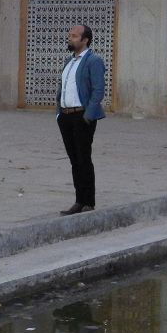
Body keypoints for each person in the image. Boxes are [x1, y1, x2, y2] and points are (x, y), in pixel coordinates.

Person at [56, 24, 106, 215]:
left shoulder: (93, 61)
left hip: (82, 116)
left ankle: (88, 202)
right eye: (69, 35)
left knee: (83, 158)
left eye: (75, 36)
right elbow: (62, 87)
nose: (70, 38)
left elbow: (98, 90)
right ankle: (78, 200)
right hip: (66, 116)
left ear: (85, 40)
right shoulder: (69, 61)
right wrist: (59, 113)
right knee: (74, 160)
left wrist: (88, 115)